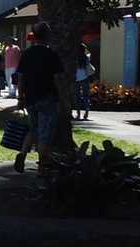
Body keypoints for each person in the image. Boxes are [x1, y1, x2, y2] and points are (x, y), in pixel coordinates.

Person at [14, 21, 65, 172]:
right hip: (47, 97)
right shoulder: (51, 55)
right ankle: (43, 165)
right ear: (48, 36)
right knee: (45, 134)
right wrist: (62, 97)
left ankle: (23, 153)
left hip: (30, 98)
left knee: (33, 128)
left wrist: (20, 98)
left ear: (34, 36)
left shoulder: (27, 54)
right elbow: (58, 79)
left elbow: (21, 78)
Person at [74, 42, 95, 121]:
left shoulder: (74, 58)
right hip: (85, 78)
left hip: (76, 79)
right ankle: (86, 113)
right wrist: (85, 49)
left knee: (77, 97)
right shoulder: (87, 57)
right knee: (86, 96)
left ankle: (78, 114)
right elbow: (88, 52)